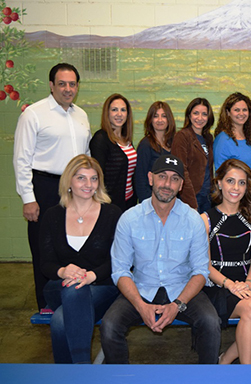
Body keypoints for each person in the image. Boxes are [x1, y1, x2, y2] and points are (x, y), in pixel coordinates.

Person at [100, 154, 221, 364]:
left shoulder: (193, 220)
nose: (167, 184)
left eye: (175, 179)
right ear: (150, 178)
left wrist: (177, 305)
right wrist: (139, 305)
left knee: (211, 323)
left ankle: (206, 377)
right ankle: (122, 377)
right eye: (162, 176)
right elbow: (120, 270)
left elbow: (201, 271)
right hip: (142, 288)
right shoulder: (129, 219)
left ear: (181, 185)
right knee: (110, 326)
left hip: (181, 289)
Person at [13, 63, 91, 312]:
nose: (68, 89)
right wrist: (28, 197)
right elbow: (21, 159)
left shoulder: (81, 115)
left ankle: (71, 298)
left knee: (73, 243)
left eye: (72, 84)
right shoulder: (33, 114)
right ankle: (46, 304)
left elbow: (86, 154)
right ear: (51, 85)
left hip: (75, 188)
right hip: (45, 187)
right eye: (62, 84)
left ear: (77, 86)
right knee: (43, 245)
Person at [40, 155, 121, 363]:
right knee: (73, 289)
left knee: (60, 320)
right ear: (69, 181)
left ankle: (71, 374)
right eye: (81, 178)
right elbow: (46, 263)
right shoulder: (52, 215)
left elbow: (119, 261)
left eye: (94, 179)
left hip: (102, 286)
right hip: (59, 285)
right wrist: (63, 271)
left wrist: (91, 276)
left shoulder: (112, 214)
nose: (88, 184)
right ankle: (84, 372)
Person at [201, 159, 251, 364]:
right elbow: (205, 266)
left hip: (247, 282)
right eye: (230, 181)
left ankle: (224, 361)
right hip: (218, 285)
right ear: (219, 183)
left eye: (242, 183)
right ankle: (247, 373)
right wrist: (231, 285)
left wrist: (249, 283)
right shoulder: (205, 220)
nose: (236, 188)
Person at [90, 93, 137, 211]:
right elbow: (98, 176)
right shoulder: (101, 139)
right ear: (107, 113)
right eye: (114, 110)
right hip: (110, 203)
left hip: (129, 200)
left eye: (123, 110)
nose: (119, 114)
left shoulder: (126, 139)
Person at [172, 98, 215, 213]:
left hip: (207, 197)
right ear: (189, 115)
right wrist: (191, 202)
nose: (200, 118)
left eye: (204, 114)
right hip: (191, 197)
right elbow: (181, 170)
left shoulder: (208, 138)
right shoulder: (182, 136)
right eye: (196, 113)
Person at [134, 101, 176, 202]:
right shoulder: (145, 145)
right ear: (150, 120)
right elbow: (140, 178)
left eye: (164, 116)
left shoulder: (174, 143)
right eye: (156, 116)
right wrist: (150, 203)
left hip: (170, 200)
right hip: (152, 201)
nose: (160, 120)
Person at [214, 93, 251, 182]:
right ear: (228, 112)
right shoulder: (223, 140)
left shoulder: (250, 137)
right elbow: (220, 174)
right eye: (236, 110)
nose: (241, 113)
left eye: (244, 110)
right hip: (235, 193)